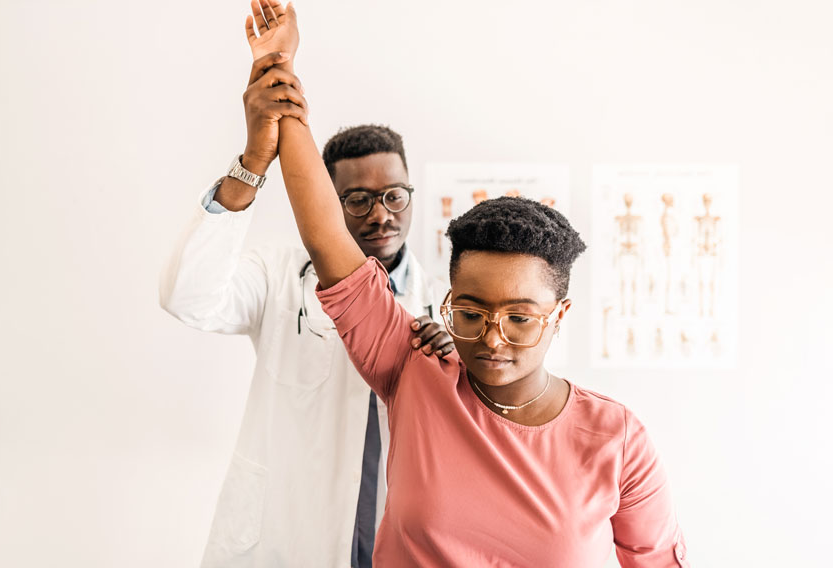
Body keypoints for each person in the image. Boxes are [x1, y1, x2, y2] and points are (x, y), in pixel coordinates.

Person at [242, 3, 690, 565]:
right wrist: (278, 67)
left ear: (560, 314)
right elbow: (328, 238)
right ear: (448, 301)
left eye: (520, 319)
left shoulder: (617, 440)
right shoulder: (415, 371)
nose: (492, 339)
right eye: (471, 313)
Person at [159, 3, 452, 565]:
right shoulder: (279, 277)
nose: (381, 214)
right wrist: (252, 163)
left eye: (394, 195)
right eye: (358, 199)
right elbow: (187, 297)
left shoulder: (445, 304)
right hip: (286, 539)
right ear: (327, 198)